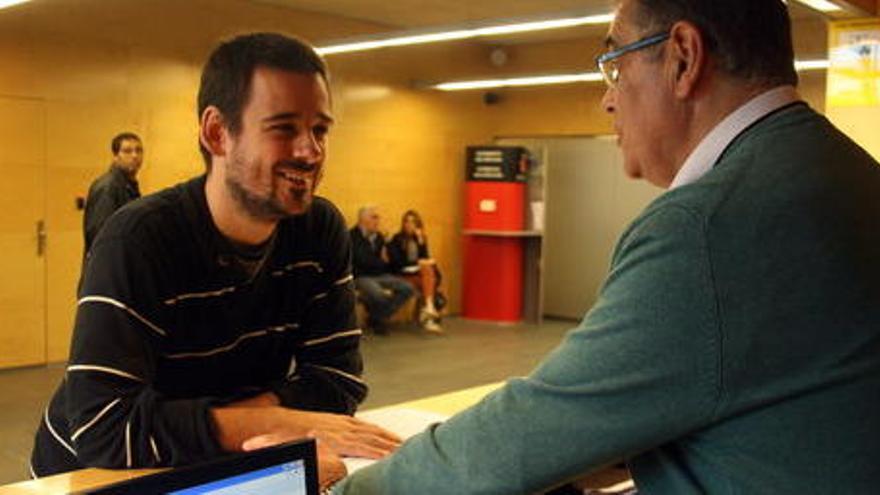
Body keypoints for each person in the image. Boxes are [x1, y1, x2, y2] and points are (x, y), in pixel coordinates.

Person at [334, 1, 880, 493]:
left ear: (684, 58)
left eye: (615, 65)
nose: (607, 99)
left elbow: (534, 427)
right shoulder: (845, 172)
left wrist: (352, 491)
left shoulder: (707, 223)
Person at [31, 33, 400, 491]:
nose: (311, 151)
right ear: (216, 133)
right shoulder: (138, 239)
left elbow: (338, 379)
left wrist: (252, 423)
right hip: (95, 474)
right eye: (284, 127)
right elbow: (105, 429)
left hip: (224, 460)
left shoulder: (319, 229)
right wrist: (285, 422)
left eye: (320, 129)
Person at [350, 206, 415, 334]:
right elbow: (362, 262)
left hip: (381, 275)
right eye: (374, 217)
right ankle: (378, 319)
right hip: (361, 276)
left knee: (407, 288)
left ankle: (376, 317)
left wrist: (383, 258)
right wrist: (381, 261)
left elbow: (389, 262)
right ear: (363, 219)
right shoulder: (352, 236)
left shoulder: (379, 237)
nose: (378, 221)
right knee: (378, 294)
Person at [83, 132, 143, 254]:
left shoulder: (128, 185)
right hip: (109, 265)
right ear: (115, 157)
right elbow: (101, 235)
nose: (135, 156)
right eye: (127, 151)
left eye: (139, 150)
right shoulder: (108, 187)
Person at [387, 210, 444, 333]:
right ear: (403, 223)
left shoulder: (420, 239)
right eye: (407, 221)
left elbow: (425, 257)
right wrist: (417, 264)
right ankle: (429, 312)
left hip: (417, 275)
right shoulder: (397, 239)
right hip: (401, 275)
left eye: (413, 222)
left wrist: (421, 241)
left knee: (427, 278)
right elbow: (397, 263)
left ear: (418, 225)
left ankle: (428, 310)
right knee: (428, 280)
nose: (409, 224)